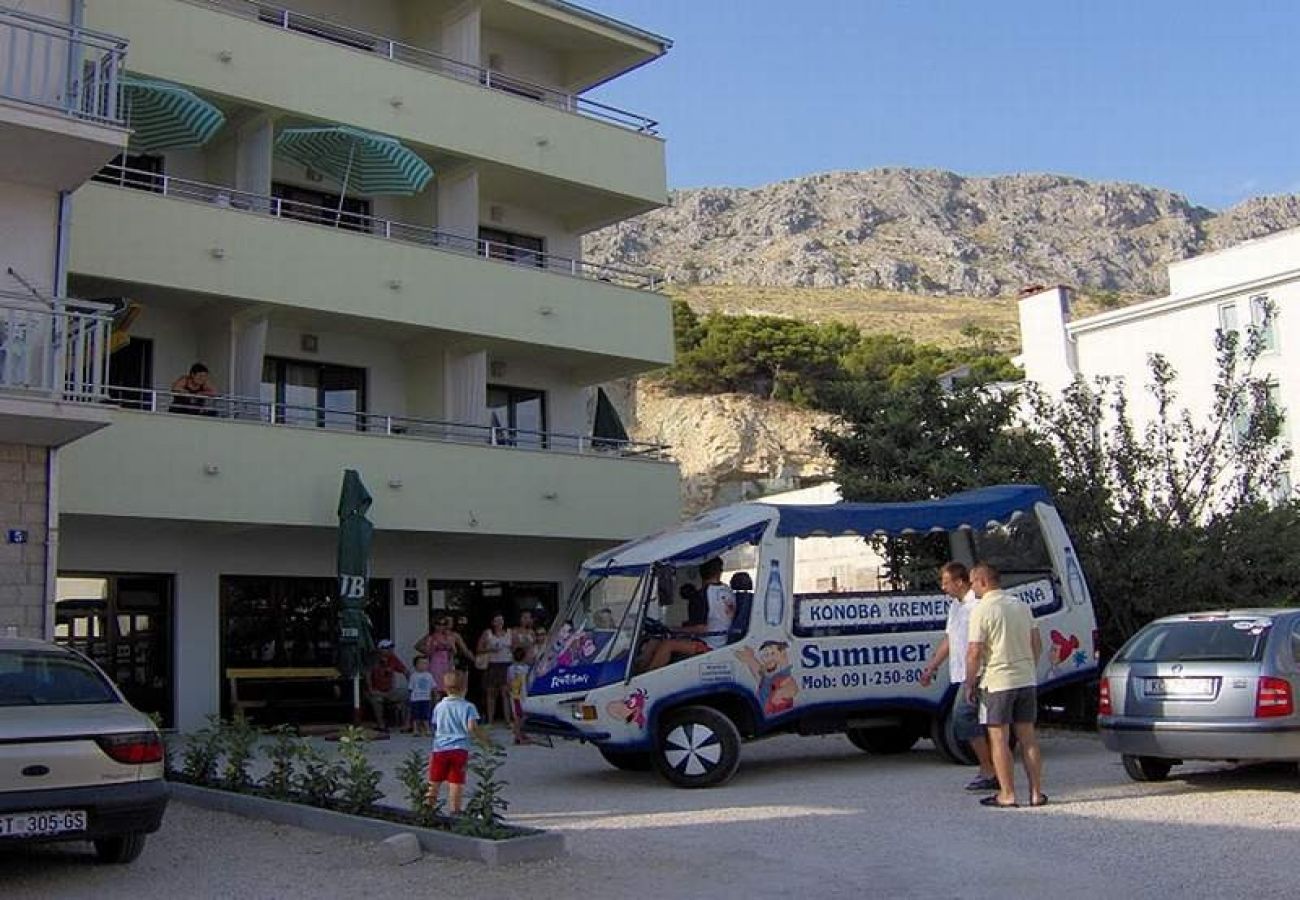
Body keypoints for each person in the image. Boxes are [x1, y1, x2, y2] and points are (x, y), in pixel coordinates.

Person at [964, 562, 1046, 809]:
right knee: (1028, 738)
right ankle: (1036, 793)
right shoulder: (1021, 606)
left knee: (998, 738)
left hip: (997, 681)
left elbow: (974, 651)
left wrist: (970, 682)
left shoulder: (982, 610)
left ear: (983, 581)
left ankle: (1007, 794)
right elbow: (1036, 644)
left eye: (973, 582)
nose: (972, 588)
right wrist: (1028, 666)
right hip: (1025, 679)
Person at [920, 561, 998, 792]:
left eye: (946, 582)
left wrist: (973, 676)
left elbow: (979, 644)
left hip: (978, 673)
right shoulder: (955, 606)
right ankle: (991, 768)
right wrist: (932, 666)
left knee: (965, 717)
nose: (943, 587)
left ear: (960, 582)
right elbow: (950, 640)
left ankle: (989, 769)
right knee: (974, 722)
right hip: (961, 673)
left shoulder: (978, 606)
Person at [646, 558, 736, 670]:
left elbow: (701, 629)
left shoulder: (702, 595)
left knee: (667, 645)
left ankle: (645, 681)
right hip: (721, 640)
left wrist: (673, 629)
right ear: (719, 572)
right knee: (660, 638)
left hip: (709, 645)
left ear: (700, 571)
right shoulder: (728, 591)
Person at [426, 670, 494, 815]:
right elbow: (472, 727)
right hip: (460, 749)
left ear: (445, 688)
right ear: (465, 688)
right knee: (456, 781)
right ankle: (455, 810)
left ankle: (428, 807)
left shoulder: (439, 707)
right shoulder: (468, 707)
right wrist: (484, 739)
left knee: (434, 780)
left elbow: (435, 725)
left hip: (440, 748)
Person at [415, 616, 472, 701]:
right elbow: (420, 647)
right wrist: (432, 649)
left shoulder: (450, 636)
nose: (441, 627)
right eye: (438, 624)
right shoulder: (431, 637)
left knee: (448, 688)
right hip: (435, 663)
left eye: (443, 624)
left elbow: (455, 651)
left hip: (447, 663)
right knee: (436, 689)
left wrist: (450, 647)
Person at [476, 613, 513, 726]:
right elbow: (478, 649)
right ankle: (490, 720)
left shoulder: (510, 633)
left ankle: (508, 720)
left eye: (501, 620)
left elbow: (516, 647)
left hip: (506, 664)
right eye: (497, 620)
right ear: (492, 622)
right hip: (492, 664)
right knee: (491, 693)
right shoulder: (487, 634)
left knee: (505, 693)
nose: (499, 623)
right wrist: (489, 649)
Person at [366, 639, 410, 732]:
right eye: (386, 648)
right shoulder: (373, 660)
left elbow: (405, 671)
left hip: (390, 691)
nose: (389, 650)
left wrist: (412, 685)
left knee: (409, 696)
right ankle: (381, 725)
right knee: (376, 700)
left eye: (390, 648)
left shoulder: (393, 658)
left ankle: (407, 724)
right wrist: (371, 689)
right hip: (376, 690)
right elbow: (368, 675)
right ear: (380, 649)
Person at [507, 646, 532, 745]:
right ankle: (517, 737)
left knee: (521, 716)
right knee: (519, 717)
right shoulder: (527, 669)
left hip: (515, 694)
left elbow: (508, 682)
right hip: (520, 695)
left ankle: (522, 733)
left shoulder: (511, 668)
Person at [407, 656, 436, 737]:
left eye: (425, 663)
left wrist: (434, 696)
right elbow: (410, 688)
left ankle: (427, 729)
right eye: (421, 663)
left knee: (426, 715)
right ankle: (415, 730)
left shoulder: (429, 676)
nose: (424, 665)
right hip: (415, 699)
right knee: (415, 715)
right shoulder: (413, 676)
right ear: (415, 665)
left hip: (426, 699)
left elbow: (433, 687)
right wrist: (409, 699)